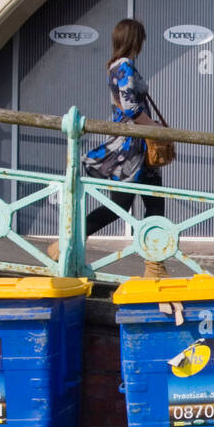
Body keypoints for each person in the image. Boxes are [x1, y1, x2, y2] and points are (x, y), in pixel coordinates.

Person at [50, 18, 178, 315]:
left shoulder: (117, 65)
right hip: (135, 145)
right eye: (142, 39)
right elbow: (132, 108)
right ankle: (66, 246)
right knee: (129, 206)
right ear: (135, 39)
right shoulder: (124, 66)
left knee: (146, 206)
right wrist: (156, 130)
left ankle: (153, 267)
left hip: (136, 144)